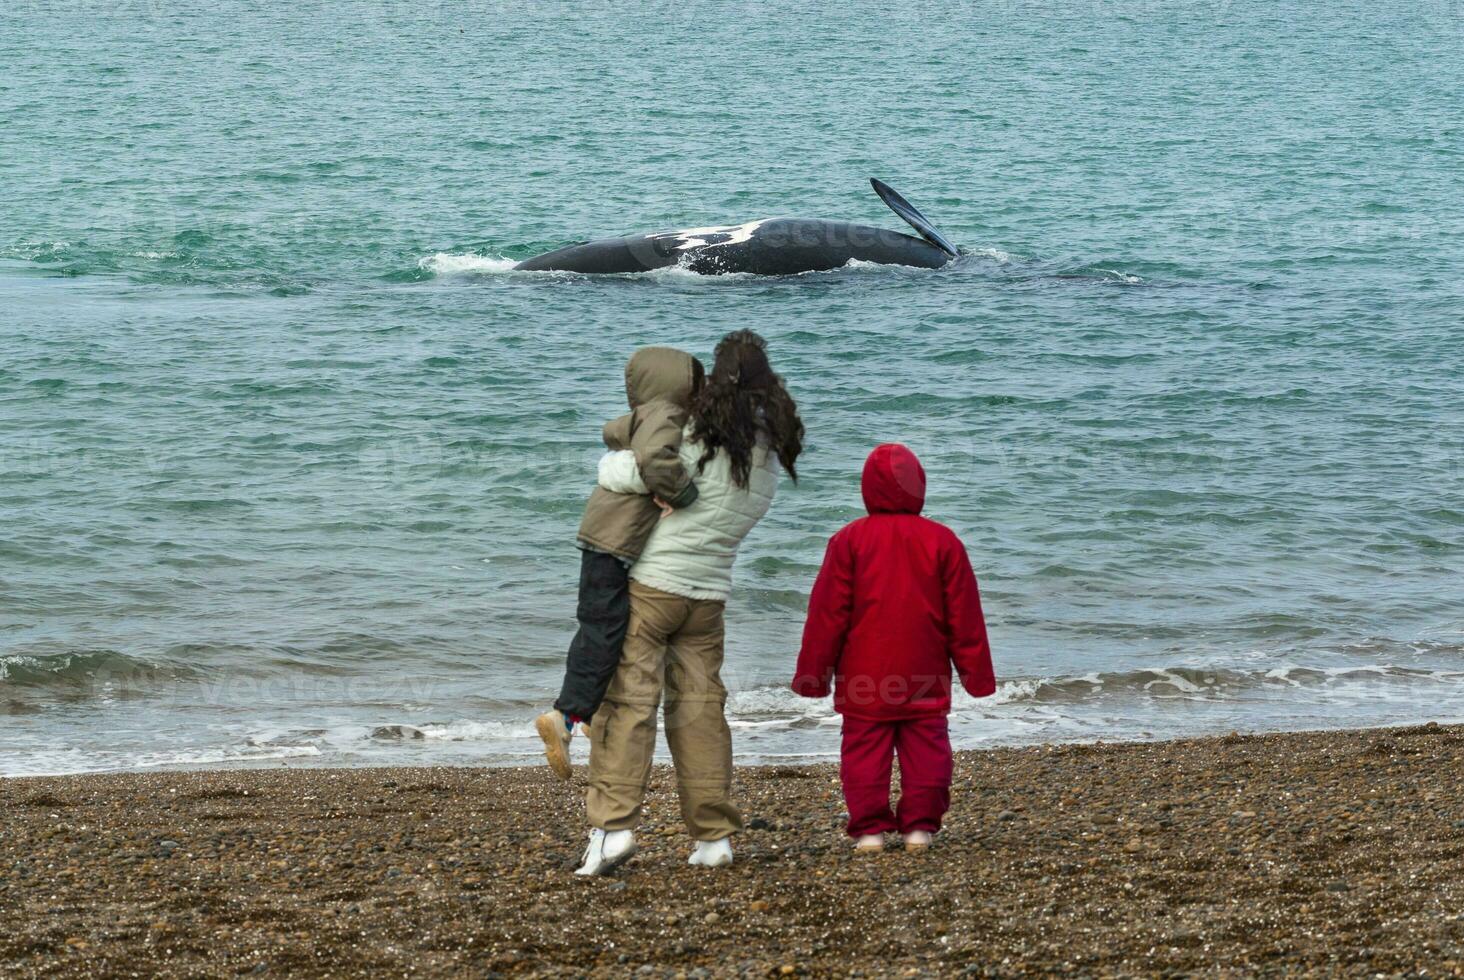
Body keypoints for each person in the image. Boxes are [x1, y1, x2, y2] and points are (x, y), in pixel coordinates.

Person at [576, 329, 804, 876]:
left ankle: (613, 830)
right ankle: (713, 838)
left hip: (652, 587)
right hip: (708, 596)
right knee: (700, 713)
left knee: (627, 707)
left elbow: (631, 470)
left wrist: (608, 465)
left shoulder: (701, 435)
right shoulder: (771, 456)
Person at [792, 443, 995, 852]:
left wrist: (814, 676)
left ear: (867, 489)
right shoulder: (943, 541)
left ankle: (868, 831)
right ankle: (919, 828)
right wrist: (977, 678)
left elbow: (827, 616)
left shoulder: (848, 540)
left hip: (864, 676)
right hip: (924, 673)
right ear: (919, 487)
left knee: (864, 751)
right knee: (928, 749)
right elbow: (965, 618)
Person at [534, 347, 704, 780]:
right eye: (696, 383)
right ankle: (566, 716)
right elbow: (653, 460)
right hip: (614, 542)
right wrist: (684, 495)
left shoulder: (643, 413)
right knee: (604, 629)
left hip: (601, 533)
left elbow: (627, 444)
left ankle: (583, 717)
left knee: (603, 624)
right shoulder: (665, 415)